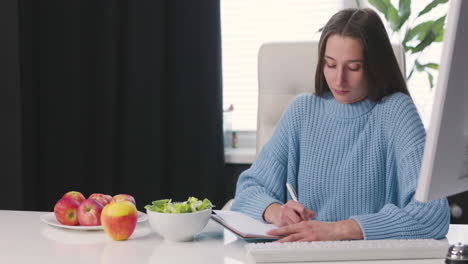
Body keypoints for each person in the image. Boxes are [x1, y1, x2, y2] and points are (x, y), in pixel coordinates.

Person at [231, 8, 450, 242]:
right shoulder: (302, 111)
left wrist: (336, 230)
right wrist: (276, 211)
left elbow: (433, 213)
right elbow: (247, 191)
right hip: (303, 257)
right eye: (330, 65)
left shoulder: (396, 111)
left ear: (375, 65)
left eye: (353, 67)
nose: (339, 80)